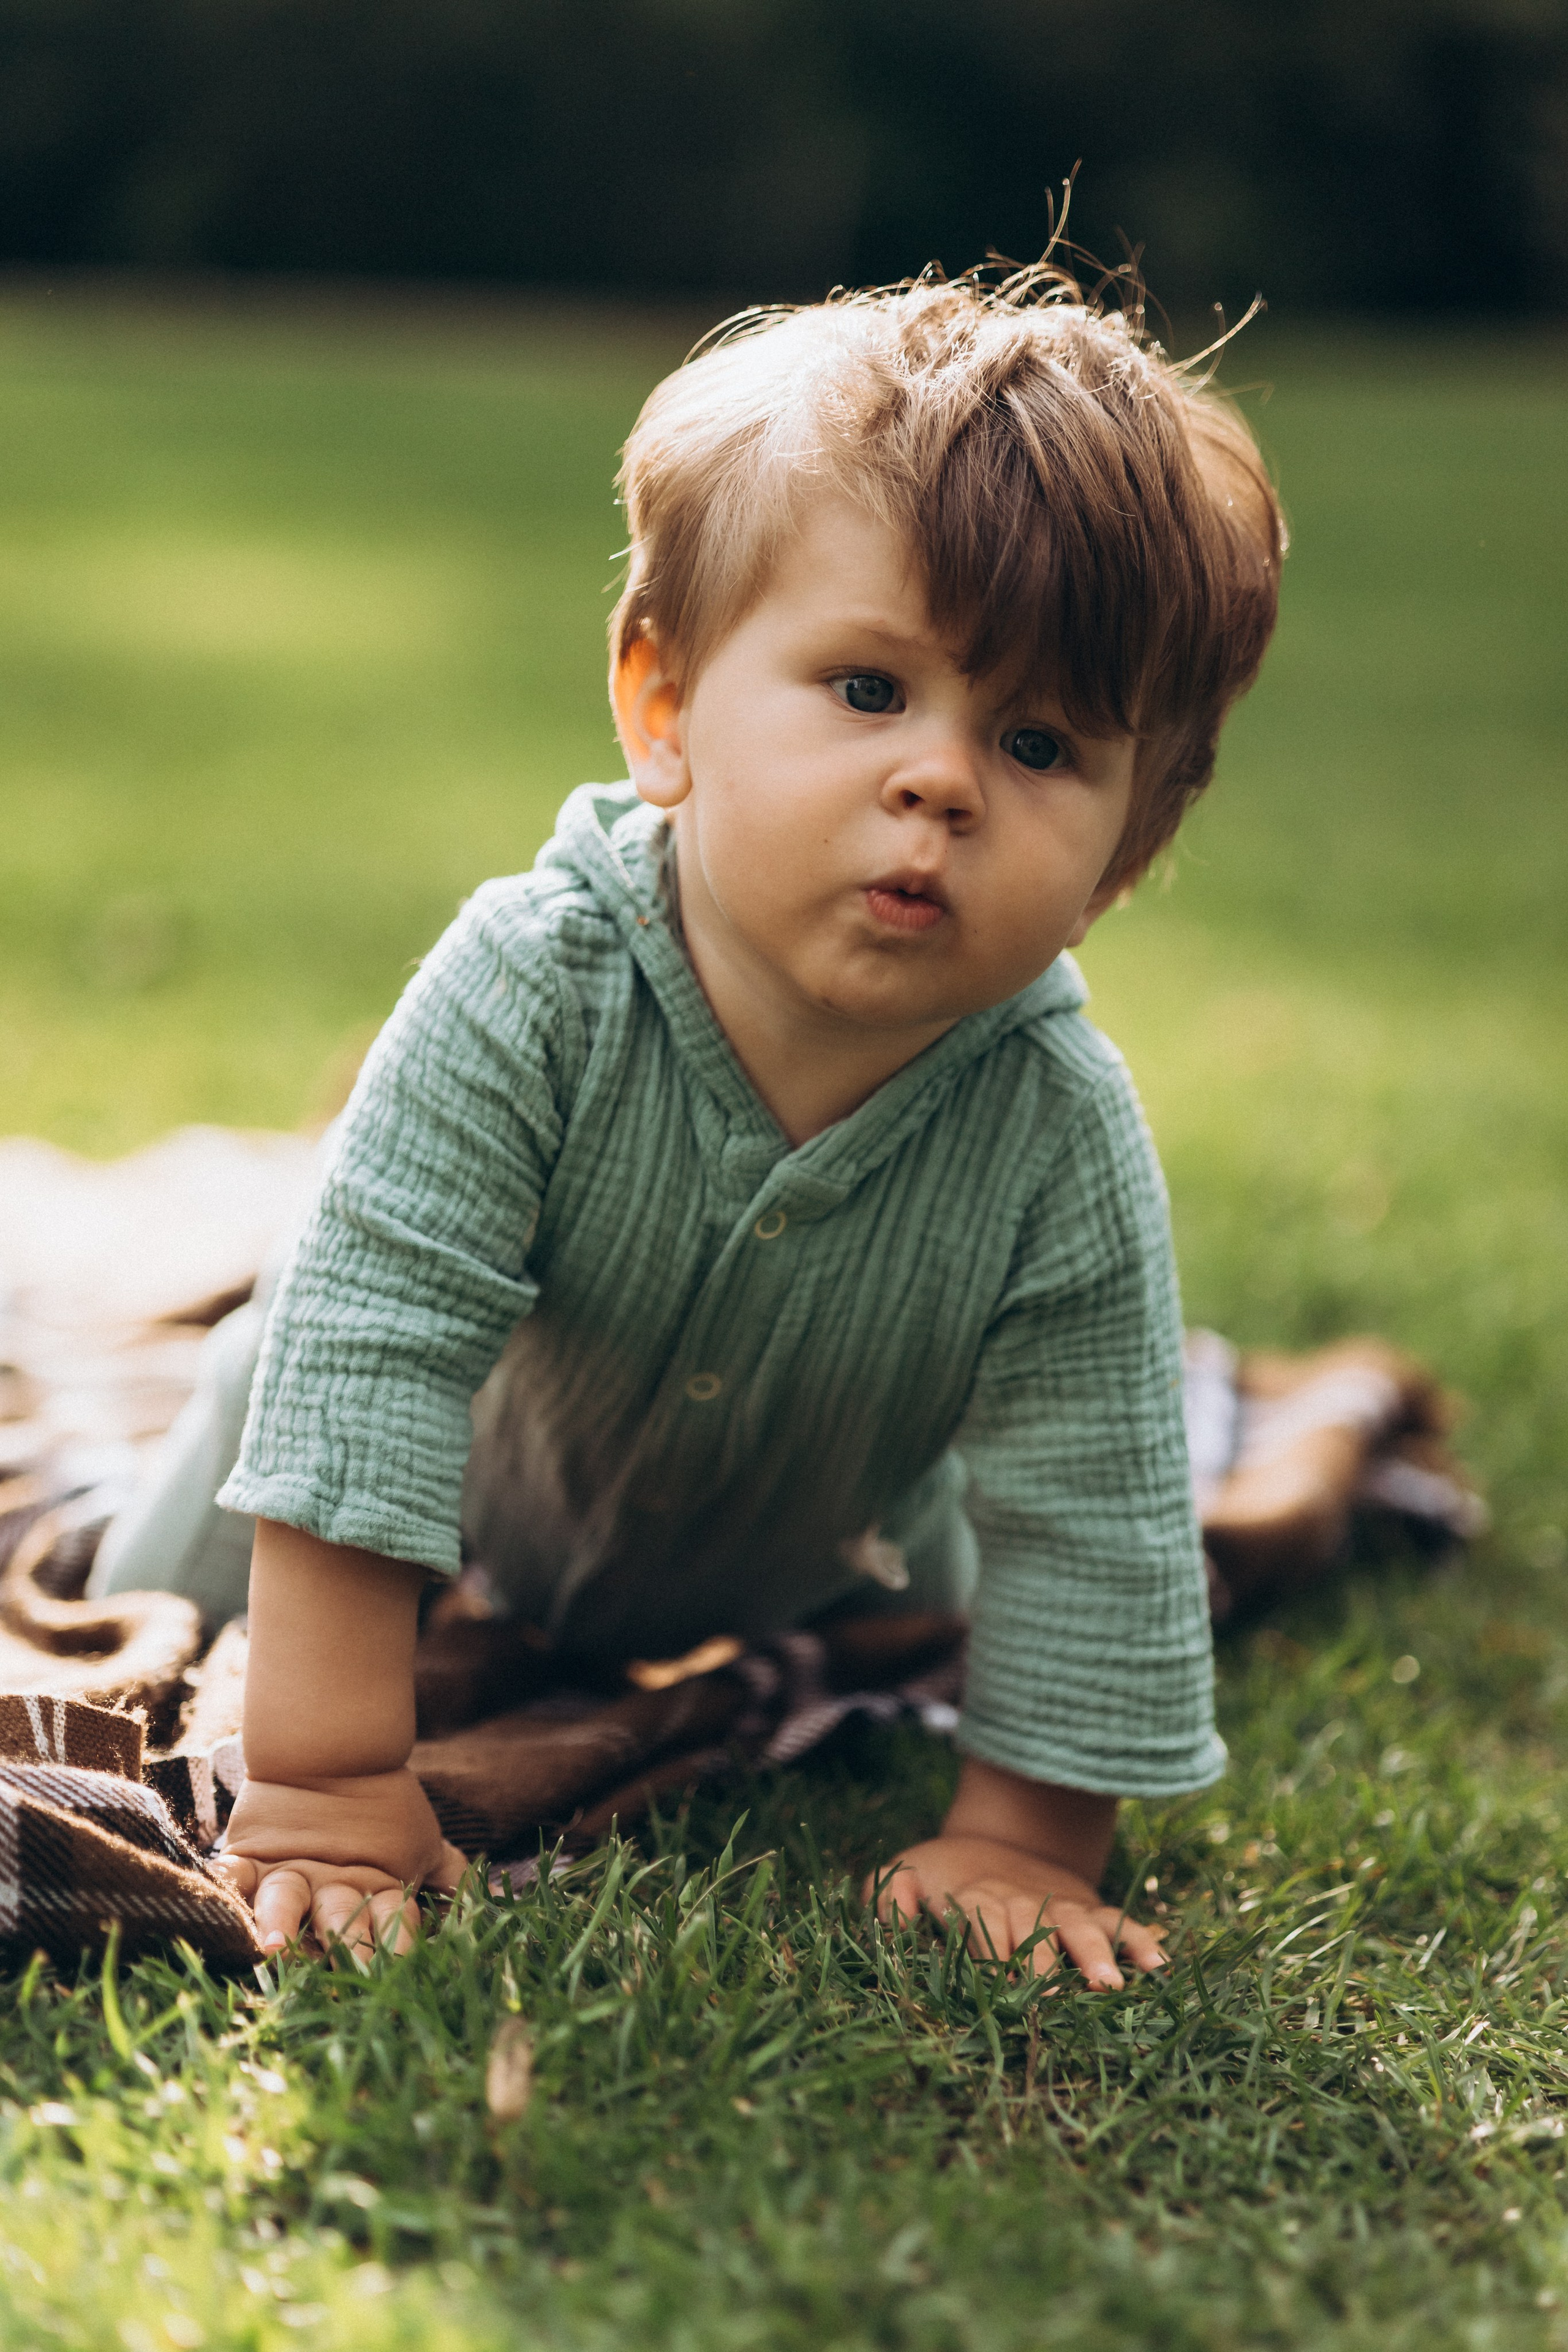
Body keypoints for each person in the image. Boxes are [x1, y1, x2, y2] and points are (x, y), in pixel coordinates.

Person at [112, 262, 1286, 1970]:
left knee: (952, 1594)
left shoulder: (1056, 1128)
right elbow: (372, 1351)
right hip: (469, 1467)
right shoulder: (534, 986)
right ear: (663, 706)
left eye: (1039, 742)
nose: (941, 779)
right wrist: (331, 1779)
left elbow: (1093, 1497)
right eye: (870, 690)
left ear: (1120, 857)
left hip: (826, 1536)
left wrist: (1026, 1841)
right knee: (199, 1516)